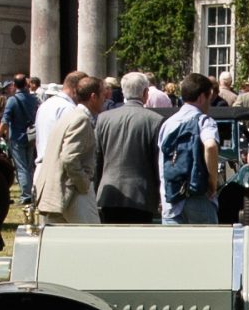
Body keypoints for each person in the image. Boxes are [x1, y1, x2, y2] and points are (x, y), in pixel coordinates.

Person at [94, 69, 165, 223]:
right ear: (146, 93)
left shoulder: (103, 118)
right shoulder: (155, 120)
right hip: (141, 195)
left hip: (108, 193)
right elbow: (158, 162)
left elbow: (97, 159)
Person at [31, 74, 102, 225]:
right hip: (73, 192)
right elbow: (69, 157)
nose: (105, 99)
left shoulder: (70, 114)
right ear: (93, 97)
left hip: (57, 191)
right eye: (103, 95)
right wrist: (84, 184)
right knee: (92, 241)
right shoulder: (80, 119)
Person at [157, 72, 223, 224]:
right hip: (198, 198)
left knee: (174, 248)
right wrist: (212, 182)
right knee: (206, 247)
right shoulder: (204, 121)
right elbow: (210, 145)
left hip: (171, 199)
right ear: (201, 97)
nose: (210, 103)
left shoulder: (168, 124)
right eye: (209, 97)